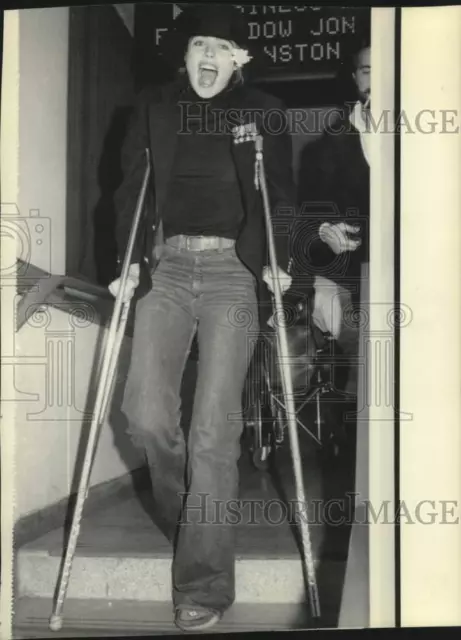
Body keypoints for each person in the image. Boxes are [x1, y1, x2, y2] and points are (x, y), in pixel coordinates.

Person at [108, 5, 294, 632]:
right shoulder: (154, 105)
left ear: (239, 58)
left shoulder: (261, 111)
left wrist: (280, 259)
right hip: (168, 269)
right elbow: (131, 190)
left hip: (231, 278)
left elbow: (281, 195)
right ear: (184, 54)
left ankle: (205, 585)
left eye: (223, 47)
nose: (209, 57)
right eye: (198, 45)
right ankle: (189, 520)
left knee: (215, 431)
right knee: (146, 415)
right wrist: (129, 261)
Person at [294, 39, 371, 397]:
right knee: (365, 386)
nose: (377, 80)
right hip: (352, 284)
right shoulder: (325, 149)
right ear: (355, 78)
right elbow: (304, 221)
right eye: (368, 70)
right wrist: (323, 230)